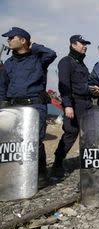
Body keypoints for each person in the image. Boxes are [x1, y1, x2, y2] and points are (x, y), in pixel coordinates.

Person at [0, 27, 57, 188]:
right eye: (8, 38)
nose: (8, 40)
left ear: (23, 40)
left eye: (12, 37)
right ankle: (18, 173)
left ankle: (40, 174)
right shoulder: (9, 63)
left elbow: (52, 54)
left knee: (35, 140)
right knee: (14, 142)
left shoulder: (38, 58)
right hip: (14, 107)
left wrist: (35, 46)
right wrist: (2, 106)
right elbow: (3, 86)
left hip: (35, 106)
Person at [51, 35, 92, 178]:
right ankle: (57, 164)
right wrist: (68, 105)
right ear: (73, 44)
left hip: (87, 104)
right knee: (70, 133)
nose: (85, 46)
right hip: (75, 104)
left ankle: (89, 164)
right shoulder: (65, 62)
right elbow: (64, 85)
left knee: (90, 134)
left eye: (86, 44)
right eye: (82, 43)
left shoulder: (81, 64)